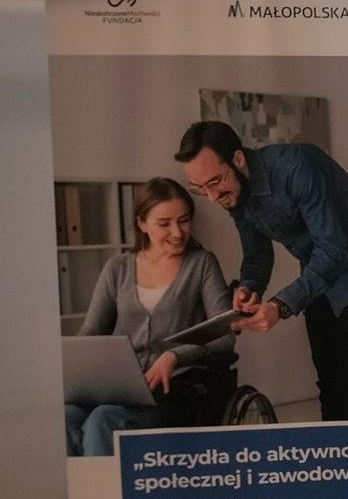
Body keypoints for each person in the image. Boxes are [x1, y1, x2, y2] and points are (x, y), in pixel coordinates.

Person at [174, 121, 348, 421]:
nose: (212, 196)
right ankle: (336, 451)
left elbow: (334, 251)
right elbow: (257, 253)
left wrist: (280, 305)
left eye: (214, 182)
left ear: (238, 159)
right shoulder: (234, 191)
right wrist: (249, 287)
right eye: (200, 189)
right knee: (328, 381)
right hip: (318, 268)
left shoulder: (297, 166)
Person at [66, 179, 234, 457]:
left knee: (102, 421)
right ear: (142, 223)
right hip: (118, 389)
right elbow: (91, 332)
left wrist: (175, 356)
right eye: (164, 223)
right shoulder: (117, 268)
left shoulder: (202, 263)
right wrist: (72, 364)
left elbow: (225, 334)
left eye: (184, 220)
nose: (177, 232)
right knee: (65, 417)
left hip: (175, 391)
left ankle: (107, 487)